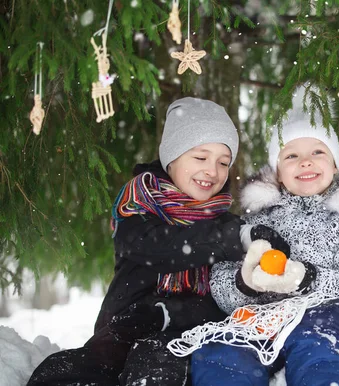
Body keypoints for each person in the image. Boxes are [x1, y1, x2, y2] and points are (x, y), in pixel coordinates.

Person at [28, 97, 251, 386]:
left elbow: (228, 295)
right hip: (123, 329)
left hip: (184, 336)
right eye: (200, 157)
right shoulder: (136, 208)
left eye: (224, 162)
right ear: (171, 158)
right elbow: (153, 247)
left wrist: (170, 314)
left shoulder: (227, 225)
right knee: (59, 371)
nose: (213, 170)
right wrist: (226, 239)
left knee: (156, 366)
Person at [191, 87, 339, 386]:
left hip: (325, 317)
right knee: (222, 349)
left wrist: (307, 278)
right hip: (260, 319)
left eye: (318, 152)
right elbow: (219, 282)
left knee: (321, 344)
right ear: (278, 171)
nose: (305, 162)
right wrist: (246, 281)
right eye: (292, 155)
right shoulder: (256, 219)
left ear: (334, 163)